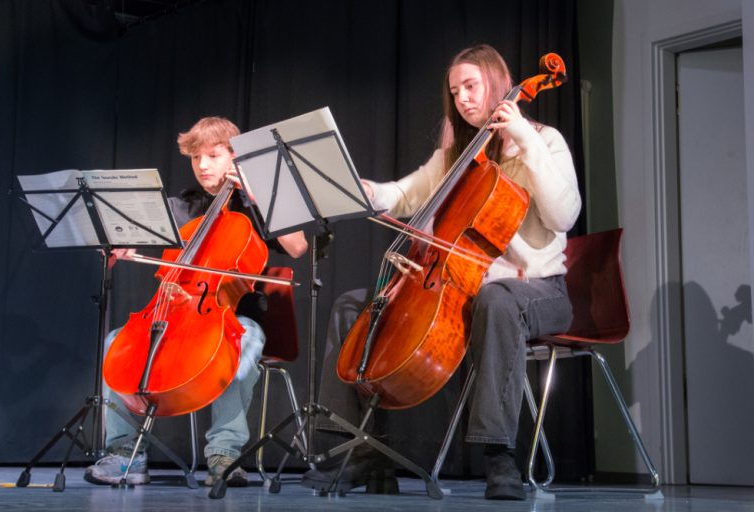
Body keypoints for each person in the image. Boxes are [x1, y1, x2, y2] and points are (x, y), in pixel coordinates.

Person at [301, 44, 581, 500]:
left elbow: (564, 216)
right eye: (456, 91)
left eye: (471, 86)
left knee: (499, 298)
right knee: (354, 304)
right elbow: (402, 194)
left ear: (497, 82)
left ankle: (499, 455)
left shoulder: (544, 141)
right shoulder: (456, 156)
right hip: (467, 289)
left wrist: (525, 141)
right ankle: (358, 449)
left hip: (540, 291)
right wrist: (360, 189)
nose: (463, 99)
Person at [84, 116, 308, 487]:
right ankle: (126, 454)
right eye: (195, 157)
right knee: (115, 344)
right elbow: (140, 227)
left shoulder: (257, 205)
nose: (203, 165)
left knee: (244, 345)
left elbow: (298, 247)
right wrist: (120, 241)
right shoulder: (186, 206)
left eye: (214, 155)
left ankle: (224, 454)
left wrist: (257, 194)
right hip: (176, 317)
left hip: (235, 317)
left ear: (235, 157)